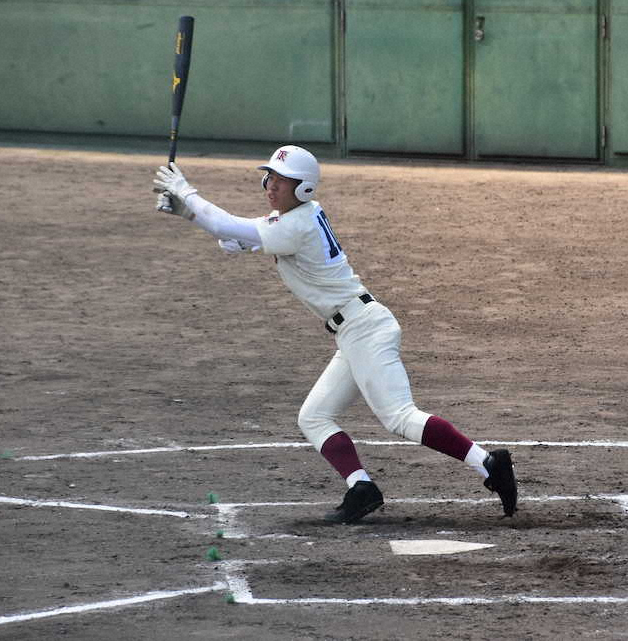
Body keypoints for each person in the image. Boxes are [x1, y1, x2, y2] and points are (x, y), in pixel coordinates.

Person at [152, 145, 517, 523]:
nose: (271, 185)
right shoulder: (293, 220)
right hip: (354, 331)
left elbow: (230, 228)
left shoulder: (298, 225)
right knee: (314, 416)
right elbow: (235, 238)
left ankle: (489, 464)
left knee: (399, 417)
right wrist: (188, 214)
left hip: (365, 329)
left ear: (304, 188)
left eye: (281, 180)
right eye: (270, 177)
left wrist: (189, 196)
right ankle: (362, 488)